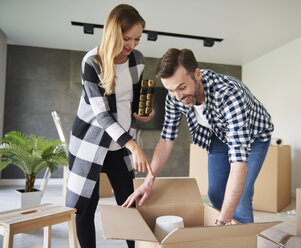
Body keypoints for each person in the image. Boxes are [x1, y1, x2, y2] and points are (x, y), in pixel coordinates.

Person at [123, 48, 273, 225]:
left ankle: (242, 238)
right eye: (170, 90)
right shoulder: (174, 97)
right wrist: (149, 181)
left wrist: (222, 221)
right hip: (219, 134)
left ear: (197, 74)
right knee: (216, 194)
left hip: (253, 138)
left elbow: (238, 164)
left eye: (182, 87)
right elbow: (166, 140)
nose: (177, 96)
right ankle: (227, 229)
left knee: (241, 199)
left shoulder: (229, 95)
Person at [66, 4, 153, 248]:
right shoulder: (92, 62)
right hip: (90, 144)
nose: (133, 45)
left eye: (137, 38)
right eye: (127, 38)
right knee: (85, 206)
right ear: (113, 33)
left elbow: (132, 97)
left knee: (129, 203)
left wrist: (141, 110)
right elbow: (102, 115)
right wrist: (134, 146)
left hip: (120, 146)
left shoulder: (137, 59)